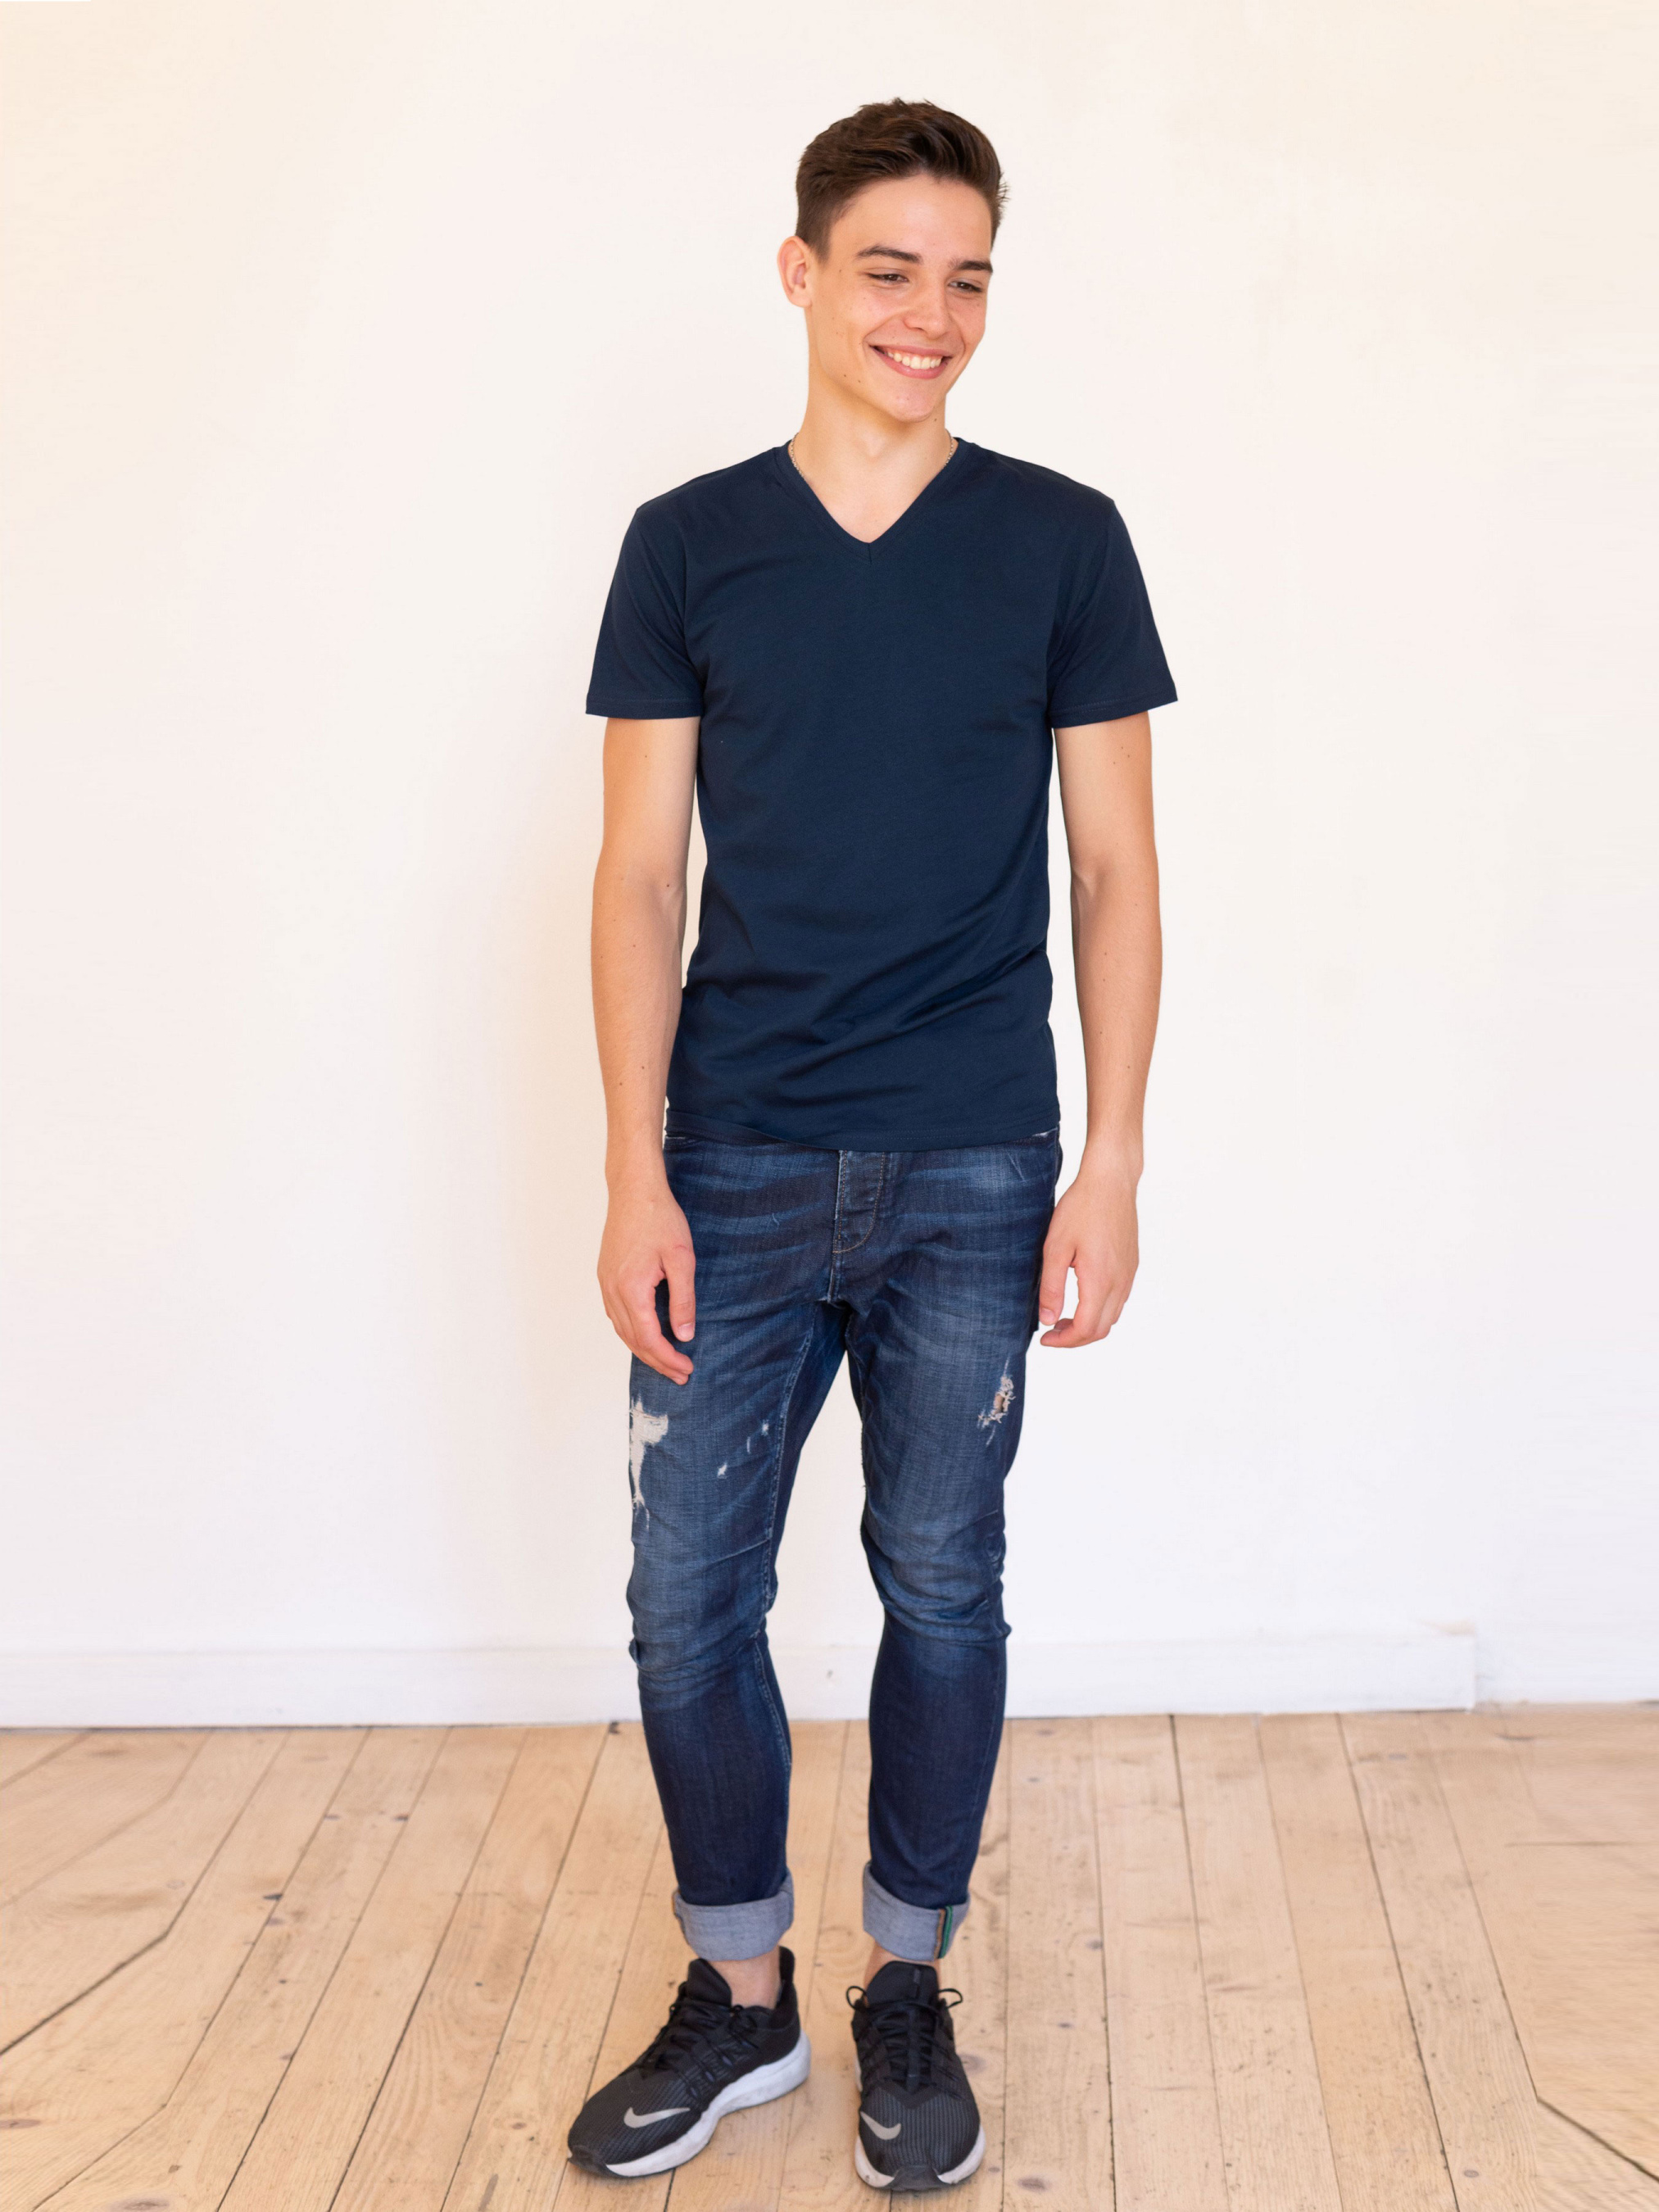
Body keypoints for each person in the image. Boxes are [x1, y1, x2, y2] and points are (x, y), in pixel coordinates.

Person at [569, 97, 1175, 2192]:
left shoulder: (1060, 540)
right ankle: (740, 1995)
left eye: (967, 276)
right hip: (731, 1157)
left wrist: (1109, 1161)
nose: (931, 314)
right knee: (683, 1599)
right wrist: (632, 1169)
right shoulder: (686, 543)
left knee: (941, 1584)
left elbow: (1114, 870)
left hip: (973, 1160)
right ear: (801, 274)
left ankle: (902, 1979)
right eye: (890, 269)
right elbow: (636, 874)